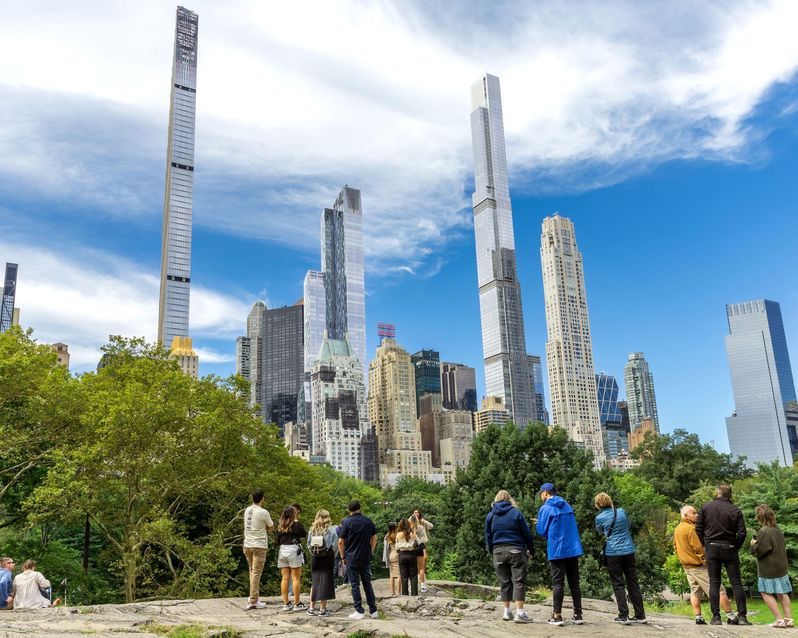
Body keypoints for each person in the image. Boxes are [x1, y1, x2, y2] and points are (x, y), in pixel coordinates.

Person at [696, 484, 749, 625]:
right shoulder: (735, 510)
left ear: (717, 493)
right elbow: (742, 533)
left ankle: (716, 617)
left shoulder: (706, 507)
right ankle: (742, 617)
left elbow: (698, 528)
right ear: (730, 495)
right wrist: (736, 546)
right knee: (736, 583)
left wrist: (705, 543)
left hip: (712, 547)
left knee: (714, 582)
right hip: (730, 546)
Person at [674, 504, 732, 624]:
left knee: (695, 591)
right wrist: (706, 561)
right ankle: (730, 615)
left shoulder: (678, 529)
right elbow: (698, 548)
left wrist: (682, 558)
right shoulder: (691, 529)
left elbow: (675, 546)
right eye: (694, 513)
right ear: (685, 516)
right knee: (718, 589)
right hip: (698, 566)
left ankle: (698, 617)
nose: (697, 515)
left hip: (687, 566)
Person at [594, 492, 646, 625]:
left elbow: (600, 532)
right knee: (633, 582)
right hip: (629, 551)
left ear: (598, 505)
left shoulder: (599, 518)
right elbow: (628, 525)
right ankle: (640, 615)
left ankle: (624, 615)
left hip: (613, 553)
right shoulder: (621, 512)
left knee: (618, 584)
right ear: (609, 501)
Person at [536, 483, 583, 626]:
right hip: (572, 549)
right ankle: (578, 615)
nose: (540, 496)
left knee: (558, 583)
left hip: (557, 550)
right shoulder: (567, 505)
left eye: (541, 493)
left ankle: (557, 616)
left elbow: (541, 531)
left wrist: (539, 523)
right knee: (574, 583)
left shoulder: (545, 508)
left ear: (545, 493)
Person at [485, 490, 534, 624]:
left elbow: (488, 535)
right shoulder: (516, 513)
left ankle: (506, 611)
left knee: (504, 582)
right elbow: (527, 533)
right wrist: (531, 549)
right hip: (516, 550)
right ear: (509, 500)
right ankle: (520, 613)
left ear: (496, 499)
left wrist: (492, 550)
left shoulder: (491, 515)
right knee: (518, 581)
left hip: (498, 551)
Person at [750, 504, 793, 628]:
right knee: (782, 592)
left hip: (769, 568)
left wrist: (753, 544)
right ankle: (788, 619)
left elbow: (759, 551)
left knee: (765, 592)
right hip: (781, 567)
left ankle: (779, 620)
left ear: (760, 517)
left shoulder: (764, 531)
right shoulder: (777, 530)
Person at [338, 500, 378, 620]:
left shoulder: (346, 522)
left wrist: (342, 557)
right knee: (367, 583)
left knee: (355, 584)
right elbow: (374, 538)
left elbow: (340, 542)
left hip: (351, 557)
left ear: (349, 510)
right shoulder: (368, 521)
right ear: (360, 508)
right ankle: (373, 610)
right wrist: (370, 551)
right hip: (365, 556)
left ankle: (359, 610)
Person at [242, 489, 274, 610]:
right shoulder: (263, 512)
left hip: (247, 544)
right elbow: (271, 526)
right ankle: (253, 600)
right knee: (256, 573)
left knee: (252, 571)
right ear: (262, 498)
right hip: (259, 545)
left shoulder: (247, 510)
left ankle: (254, 596)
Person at [307, 509, 338, 617]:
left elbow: (308, 545)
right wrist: (333, 555)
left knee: (315, 581)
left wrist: (314, 553)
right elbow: (335, 545)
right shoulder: (331, 529)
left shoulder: (312, 529)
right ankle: (322, 610)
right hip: (327, 557)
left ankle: (311, 608)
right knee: (325, 582)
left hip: (315, 557)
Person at [276, 505, 307, 612]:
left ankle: (286, 603)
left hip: (282, 550)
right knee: (295, 578)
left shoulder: (280, 526)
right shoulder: (297, 524)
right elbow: (304, 534)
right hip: (293, 550)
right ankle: (297, 603)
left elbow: (277, 541)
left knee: (285, 578)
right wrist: (296, 521)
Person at [411, 509, 433, 593]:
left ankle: (422, 577)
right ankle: (420, 579)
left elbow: (431, 526)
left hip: (422, 544)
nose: (416, 514)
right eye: (415, 513)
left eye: (417, 512)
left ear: (420, 514)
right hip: (415, 544)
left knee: (424, 560)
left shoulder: (422, 522)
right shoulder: (411, 523)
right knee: (416, 564)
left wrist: (423, 521)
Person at [395, 518, 419, 596]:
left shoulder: (398, 534)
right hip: (412, 554)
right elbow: (418, 543)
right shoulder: (412, 533)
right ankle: (414, 595)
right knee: (413, 576)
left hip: (402, 555)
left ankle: (405, 595)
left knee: (404, 577)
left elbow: (396, 548)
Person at [287, 502, 303, 600]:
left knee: (289, 574)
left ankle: (289, 594)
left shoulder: (283, 522)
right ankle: (290, 594)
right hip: (293, 548)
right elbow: (303, 534)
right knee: (293, 574)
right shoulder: (295, 523)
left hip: (284, 549)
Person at [382, 522, 400, 596]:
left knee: (391, 575)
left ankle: (392, 592)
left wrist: (388, 532)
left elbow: (384, 541)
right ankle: (398, 592)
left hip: (390, 556)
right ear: (395, 527)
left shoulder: (388, 536)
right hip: (397, 555)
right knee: (399, 575)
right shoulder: (397, 535)